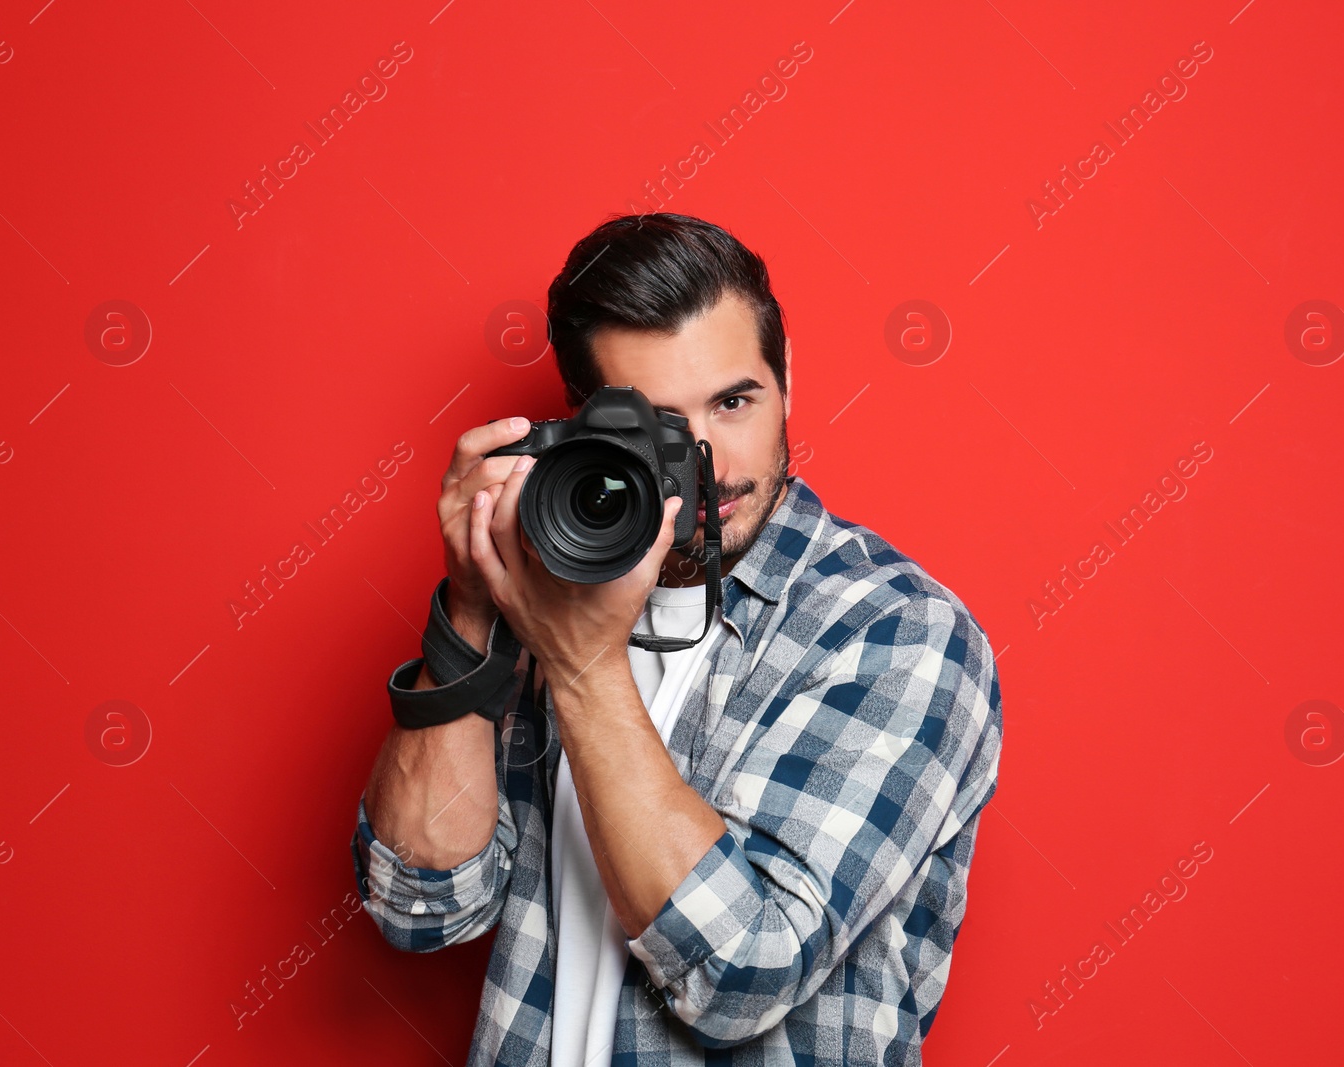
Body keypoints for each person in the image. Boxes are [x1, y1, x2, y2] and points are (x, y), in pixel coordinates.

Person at [351, 212, 1003, 1065]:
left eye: (734, 401)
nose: (711, 464)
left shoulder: (896, 630)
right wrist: (470, 607)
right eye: (661, 423)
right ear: (587, 425)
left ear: (788, 377)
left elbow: (744, 970)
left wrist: (583, 665)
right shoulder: (539, 596)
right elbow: (420, 906)